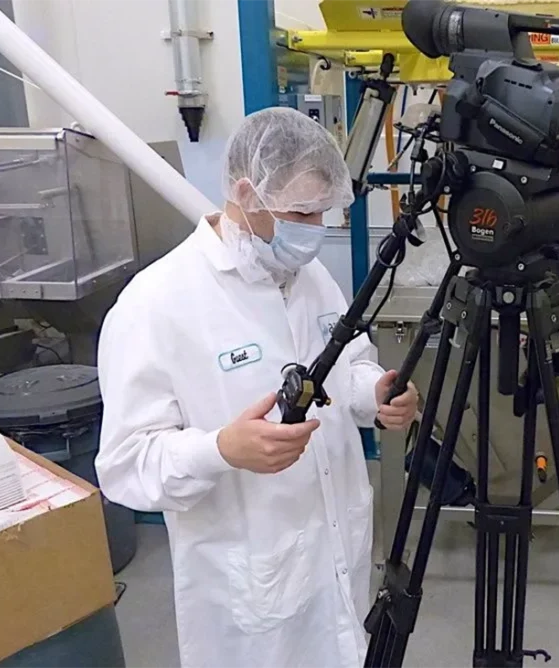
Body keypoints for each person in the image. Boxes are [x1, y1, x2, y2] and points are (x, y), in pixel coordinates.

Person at [95, 107, 419, 668]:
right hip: (250, 592)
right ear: (247, 193)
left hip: (335, 556)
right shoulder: (155, 304)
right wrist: (221, 449)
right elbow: (126, 465)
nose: (314, 230)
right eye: (300, 212)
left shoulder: (311, 278)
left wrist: (375, 393)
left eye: (322, 212)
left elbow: (346, 366)